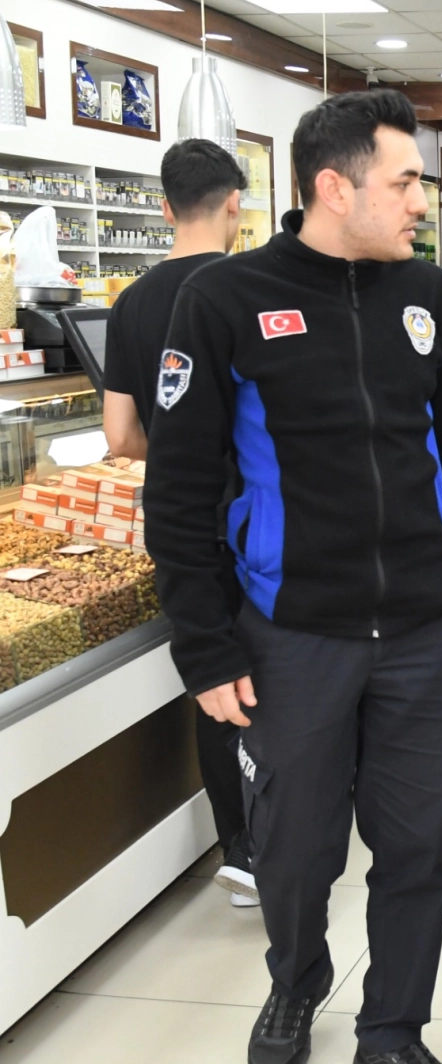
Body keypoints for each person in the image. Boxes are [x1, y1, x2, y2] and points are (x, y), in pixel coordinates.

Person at [144, 88, 442, 1064]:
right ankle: (295, 980)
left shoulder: (428, 296)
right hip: (292, 634)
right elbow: (178, 492)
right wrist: (205, 647)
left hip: (421, 633)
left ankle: (393, 1029)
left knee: (413, 848)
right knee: (293, 848)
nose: (420, 203)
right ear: (333, 187)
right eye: (404, 183)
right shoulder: (223, 300)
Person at [101, 138, 257, 909]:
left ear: (164, 208)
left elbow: (119, 436)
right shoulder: (249, 288)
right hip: (253, 517)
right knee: (274, 671)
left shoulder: (129, 304)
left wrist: (174, 450)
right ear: (235, 204)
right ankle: (285, 834)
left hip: (176, 521)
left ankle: (242, 851)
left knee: (213, 679)